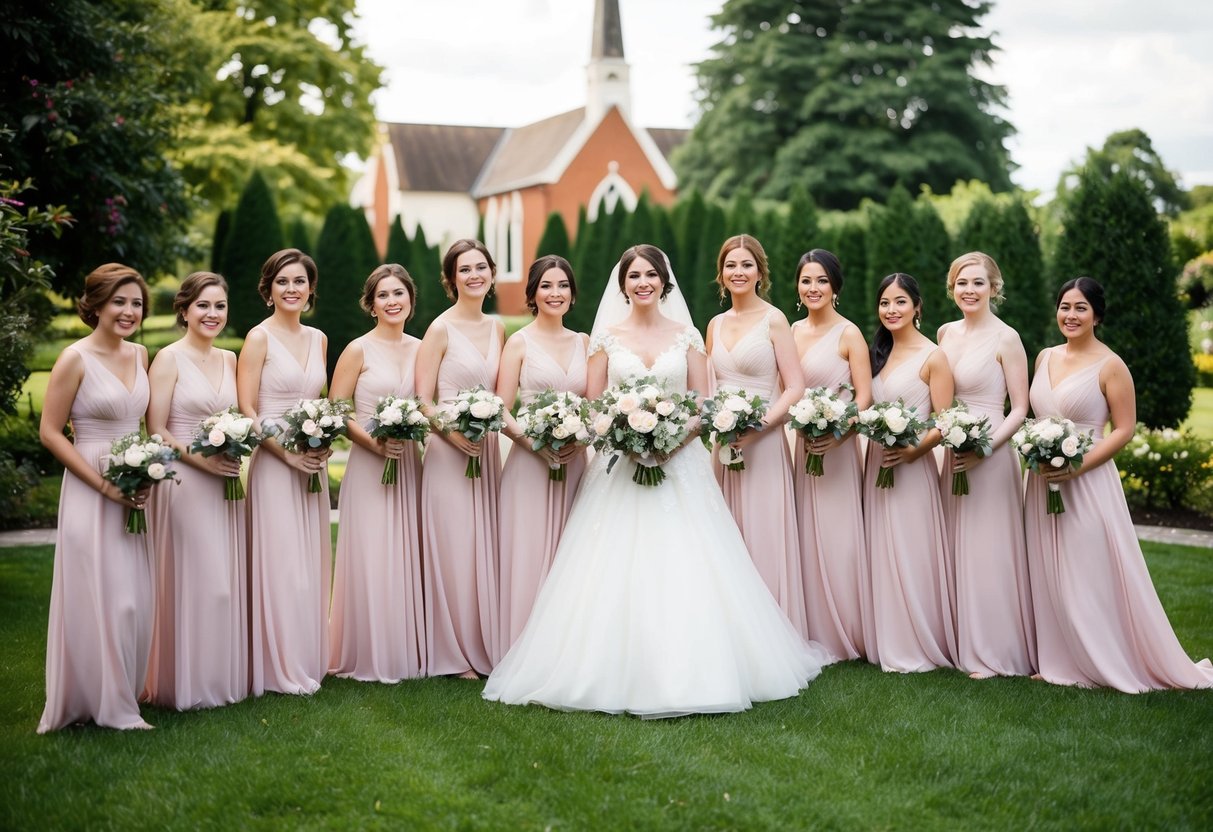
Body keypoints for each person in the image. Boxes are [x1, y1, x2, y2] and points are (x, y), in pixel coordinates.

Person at [484, 244, 834, 717]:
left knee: (691, 562)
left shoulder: (688, 335)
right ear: (623, 285)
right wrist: (625, 439)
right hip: (620, 468)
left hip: (680, 465)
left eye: (651, 274)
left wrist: (669, 444)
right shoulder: (604, 338)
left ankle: (698, 669)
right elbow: (593, 405)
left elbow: (702, 403)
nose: (643, 282)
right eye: (634, 276)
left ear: (664, 283)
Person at [1025, 277, 1213, 692]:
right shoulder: (1044, 357)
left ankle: (1102, 660)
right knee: (1048, 569)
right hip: (1041, 481)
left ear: (1097, 315)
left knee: (1089, 569)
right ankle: (1061, 661)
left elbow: (1123, 429)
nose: (1070, 316)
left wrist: (1077, 466)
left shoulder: (1111, 365)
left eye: (1080, 309)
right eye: (1064, 307)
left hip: (1088, 481)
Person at [38, 264, 156, 732]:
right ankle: (98, 702)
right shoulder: (75, 359)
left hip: (135, 480)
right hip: (91, 481)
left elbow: (146, 424)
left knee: (131, 594)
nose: (129, 311)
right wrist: (105, 484)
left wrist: (147, 469)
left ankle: (122, 691)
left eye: (136, 303)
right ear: (97, 305)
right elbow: (50, 432)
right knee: (97, 590)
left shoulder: (142, 354)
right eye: (119, 301)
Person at [144, 271, 248, 709]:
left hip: (225, 484)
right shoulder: (167, 359)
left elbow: (240, 416)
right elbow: (156, 428)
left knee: (223, 581)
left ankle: (219, 679)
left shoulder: (229, 359)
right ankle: (183, 684)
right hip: (185, 482)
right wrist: (201, 460)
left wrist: (236, 445)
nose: (212, 314)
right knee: (197, 582)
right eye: (203, 305)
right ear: (184, 310)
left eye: (219, 306)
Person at [237, 249, 332, 696]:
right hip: (275, 463)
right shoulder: (258, 338)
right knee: (281, 564)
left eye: (300, 281)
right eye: (283, 281)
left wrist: (321, 440)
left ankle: (308, 657)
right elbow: (247, 409)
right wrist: (286, 454)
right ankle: (277, 666)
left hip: (311, 461)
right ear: (269, 288)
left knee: (309, 563)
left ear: (311, 289)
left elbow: (322, 402)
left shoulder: (318, 339)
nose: (292, 289)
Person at [936, 252, 1035, 679]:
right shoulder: (944, 333)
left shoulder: (1007, 338)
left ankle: (996, 650)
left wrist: (985, 448)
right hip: (952, 450)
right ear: (952, 288)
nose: (969, 291)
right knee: (954, 544)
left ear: (994, 287)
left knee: (988, 550)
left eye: (978, 283)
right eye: (962, 283)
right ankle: (958, 641)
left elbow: (1020, 408)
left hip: (990, 454)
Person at [327, 264, 426, 682]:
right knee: (373, 552)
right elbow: (336, 409)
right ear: (371, 304)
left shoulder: (423, 348)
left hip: (409, 464)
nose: (392, 302)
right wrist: (375, 443)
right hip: (370, 464)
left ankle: (407, 649)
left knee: (407, 551)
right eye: (383, 295)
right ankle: (368, 651)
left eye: (399, 294)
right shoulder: (358, 350)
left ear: (410, 300)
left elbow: (428, 401)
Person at [706, 235, 807, 634]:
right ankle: (730, 627)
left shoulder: (775, 319)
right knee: (725, 531)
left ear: (760, 272)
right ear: (722, 273)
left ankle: (772, 630)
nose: (738, 272)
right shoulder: (714, 324)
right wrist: (717, 421)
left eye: (746, 265)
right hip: (723, 444)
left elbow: (795, 386)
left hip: (762, 443)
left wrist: (759, 427)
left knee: (764, 533)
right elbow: (708, 386)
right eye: (731, 265)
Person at [416, 239, 505, 677]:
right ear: (451, 279)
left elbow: (503, 395)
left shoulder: (497, 328)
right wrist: (455, 436)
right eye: (464, 269)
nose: (474, 275)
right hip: (450, 452)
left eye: (480, 267)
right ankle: (451, 651)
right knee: (454, 547)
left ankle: (482, 640)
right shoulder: (440, 329)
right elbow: (423, 400)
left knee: (481, 545)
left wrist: (484, 432)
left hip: (485, 450)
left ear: (491, 273)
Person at [863, 273, 957, 673]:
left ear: (917, 307)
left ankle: (917, 641)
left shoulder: (933, 356)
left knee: (911, 550)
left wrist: (912, 451)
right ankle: (884, 638)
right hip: (876, 467)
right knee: (878, 551)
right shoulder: (876, 354)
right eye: (885, 303)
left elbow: (946, 420)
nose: (892, 310)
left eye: (900, 302)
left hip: (912, 468)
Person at [497, 255, 589, 650]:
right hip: (530, 463)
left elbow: (598, 405)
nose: (556, 293)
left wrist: (579, 439)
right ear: (532, 293)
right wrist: (535, 444)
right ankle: (521, 643)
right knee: (529, 551)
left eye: (563, 285)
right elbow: (500, 408)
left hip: (574, 462)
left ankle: (566, 646)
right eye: (547, 286)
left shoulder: (585, 342)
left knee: (572, 553)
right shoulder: (519, 342)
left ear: (572, 293)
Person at [790, 249, 874, 662]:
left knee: (839, 539)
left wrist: (837, 434)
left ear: (835, 287)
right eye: (807, 280)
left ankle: (848, 632)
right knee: (804, 534)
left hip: (837, 450)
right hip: (800, 447)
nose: (813, 288)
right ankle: (810, 628)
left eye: (821, 280)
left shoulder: (849, 334)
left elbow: (864, 397)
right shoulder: (790, 331)